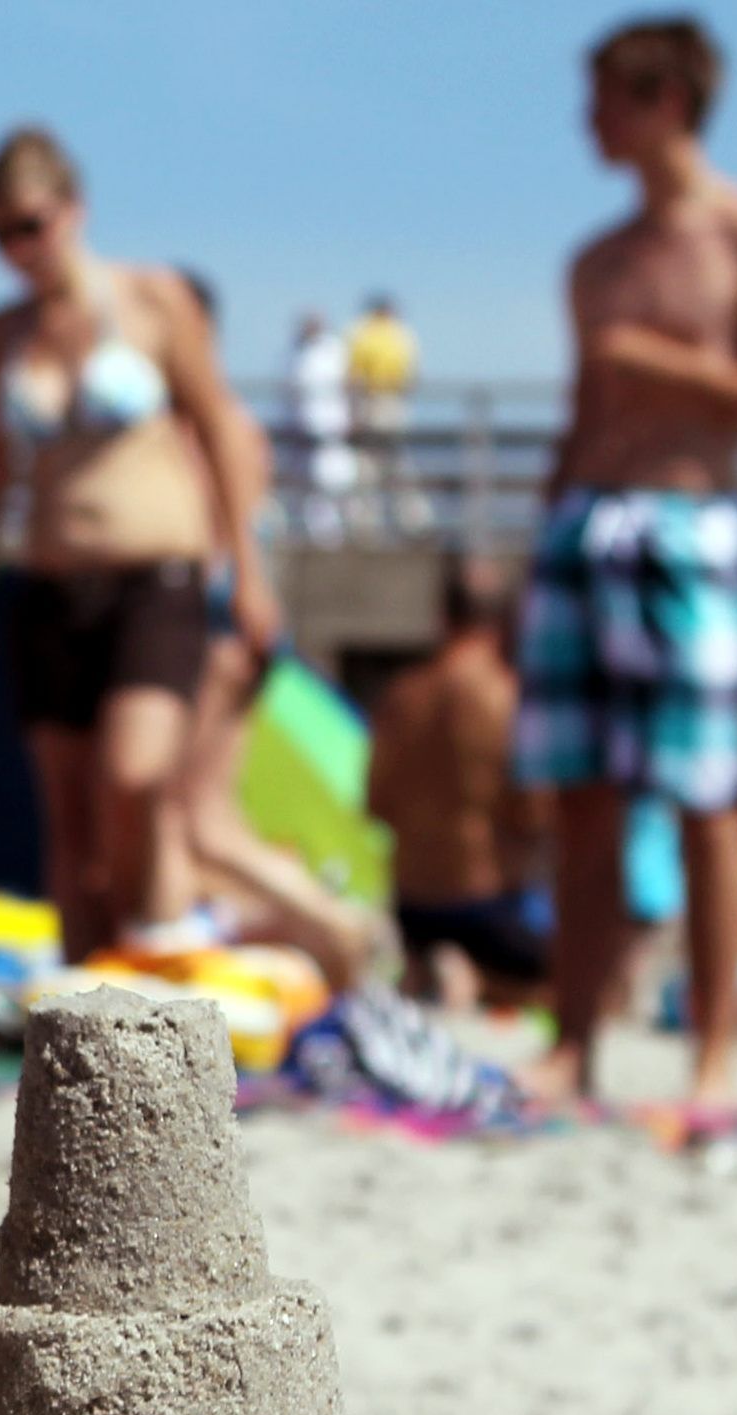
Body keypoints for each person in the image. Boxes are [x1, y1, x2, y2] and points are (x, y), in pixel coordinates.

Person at [513, 15, 737, 1109]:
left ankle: (712, 1058)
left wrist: (667, 368)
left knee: (708, 800)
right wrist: (540, 534)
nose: (585, 123)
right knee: (580, 799)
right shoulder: (593, 262)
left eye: (603, 99)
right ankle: (574, 1043)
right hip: (584, 525)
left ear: (661, 102)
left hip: (690, 521)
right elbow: (580, 410)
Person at [0, 126, 277, 963]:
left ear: (73, 210)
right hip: (46, 589)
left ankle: (159, 958)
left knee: (136, 777)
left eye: (30, 225)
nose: (17, 249)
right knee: (69, 823)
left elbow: (220, 426)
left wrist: (249, 570)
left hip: (156, 577)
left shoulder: (153, 300)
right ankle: (91, 1015)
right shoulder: (0, 335)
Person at [365, 559, 550, 1006]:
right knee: (581, 983)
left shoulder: (402, 696)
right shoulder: (509, 697)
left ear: (442, 616)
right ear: (504, 621)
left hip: (412, 908)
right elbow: (535, 814)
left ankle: (429, 966)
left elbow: (376, 805)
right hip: (488, 907)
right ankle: (480, 978)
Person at [345, 291, 426, 534]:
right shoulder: (403, 335)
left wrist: (353, 412)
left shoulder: (361, 333)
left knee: (368, 466)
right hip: (393, 403)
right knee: (396, 463)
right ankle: (413, 520)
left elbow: (352, 376)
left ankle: (365, 524)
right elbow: (412, 376)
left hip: (370, 402)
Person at [286, 310, 357, 541]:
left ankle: (343, 532)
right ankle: (321, 534)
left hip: (333, 424)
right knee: (311, 481)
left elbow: (350, 384)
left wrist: (353, 416)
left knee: (338, 476)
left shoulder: (336, 350)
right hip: (305, 427)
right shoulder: (294, 354)